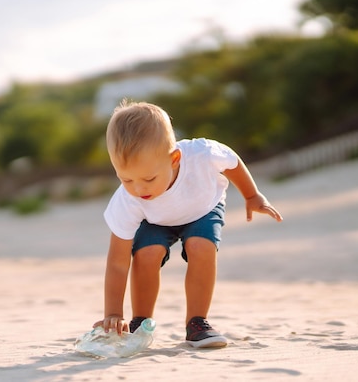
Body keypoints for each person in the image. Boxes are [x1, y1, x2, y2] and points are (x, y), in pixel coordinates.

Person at [93, 100, 283, 348]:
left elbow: (232, 162)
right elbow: (118, 262)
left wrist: (251, 195)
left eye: (149, 178)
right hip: (155, 220)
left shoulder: (202, 154)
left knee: (200, 247)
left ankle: (197, 323)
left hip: (202, 208)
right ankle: (140, 322)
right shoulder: (128, 200)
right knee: (146, 254)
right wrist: (113, 313)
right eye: (126, 179)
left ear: (174, 159)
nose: (138, 189)